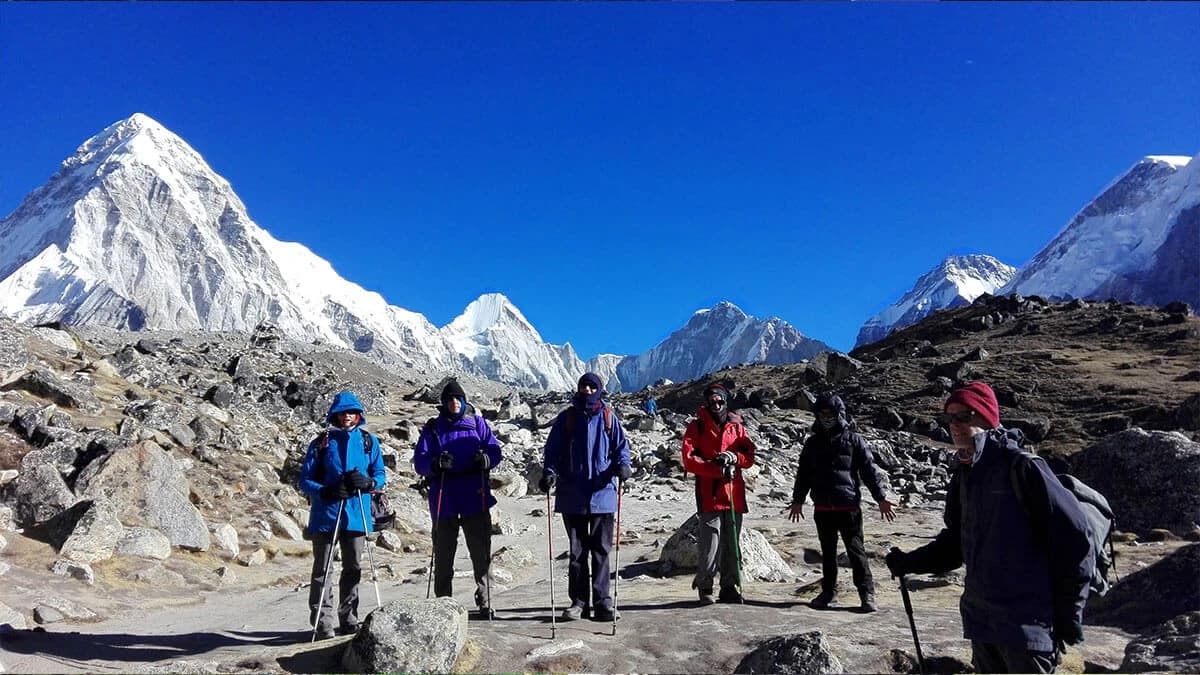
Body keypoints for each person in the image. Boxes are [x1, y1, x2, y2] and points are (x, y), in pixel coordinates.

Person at [885, 381, 1093, 674]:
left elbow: (1076, 540)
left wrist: (1070, 615)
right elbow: (956, 544)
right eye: (949, 419)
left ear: (987, 417)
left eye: (964, 416)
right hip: (982, 626)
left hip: (1027, 629)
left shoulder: (1024, 468)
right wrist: (910, 562)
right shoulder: (964, 476)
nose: (954, 426)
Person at [539, 372, 633, 622]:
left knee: (601, 551)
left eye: (593, 386)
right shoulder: (567, 419)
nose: (588, 390)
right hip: (573, 496)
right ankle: (579, 602)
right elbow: (552, 451)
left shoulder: (609, 418)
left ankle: (603, 602)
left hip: (603, 494)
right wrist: (549, 472)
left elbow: (622, 448)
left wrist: (624, 467)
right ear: (579, 389)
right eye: (584, 386)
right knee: (577, 553)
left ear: (600, 389)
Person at [788, 393, 896, 612]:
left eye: (830, 413)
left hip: (848, 507)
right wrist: (797, 500)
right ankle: (828, 593)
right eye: (822, 413)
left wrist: (881, 498)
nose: (826, 417)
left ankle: (867, 594)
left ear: (839, 414)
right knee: (827, 554)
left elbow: (869, 471)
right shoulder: (812, 443)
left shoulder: (854, 440)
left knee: (856, 551)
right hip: (823, 507)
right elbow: (804, 474)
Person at [298, 391, 387, 640]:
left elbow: (380, 473)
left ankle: (349, 619)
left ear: (358, 414)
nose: (347, 417)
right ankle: (322, 623)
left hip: (357, 512)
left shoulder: (368, 441)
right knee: (323, 570)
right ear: (335, 415)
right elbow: (304, 479)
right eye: (343, 413)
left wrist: (369, 483)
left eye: (351, 412)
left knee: (353, 568)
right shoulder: (321, 443)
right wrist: (325, 490)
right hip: (327, 514)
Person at [413, 380, 503, 620]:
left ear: (464, 401)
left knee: (481, 552)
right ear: (443, 403)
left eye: (458, 399)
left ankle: (486, 600)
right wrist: (434, 465)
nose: (454, 402)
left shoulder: (478, 424)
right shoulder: (433, 429)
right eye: (450, 399)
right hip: (444, 497)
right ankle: (444, 603)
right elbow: (420, 461)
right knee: (444, 555)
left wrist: (486, 459)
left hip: (475, 496)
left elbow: (495, 451)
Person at [680, 383, 757, 605]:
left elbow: (748, 454)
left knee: (731, 542)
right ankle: (705, 587)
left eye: (719, 400)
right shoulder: (697, 426)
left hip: (733, 492)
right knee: (709, 542)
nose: (716, 404)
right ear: (707, 402)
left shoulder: (737, 426)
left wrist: (735, 459)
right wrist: (715, 467)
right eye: (712, 401)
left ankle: (729, 587)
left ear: (725, 400)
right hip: (709, 492)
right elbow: (689, 458)